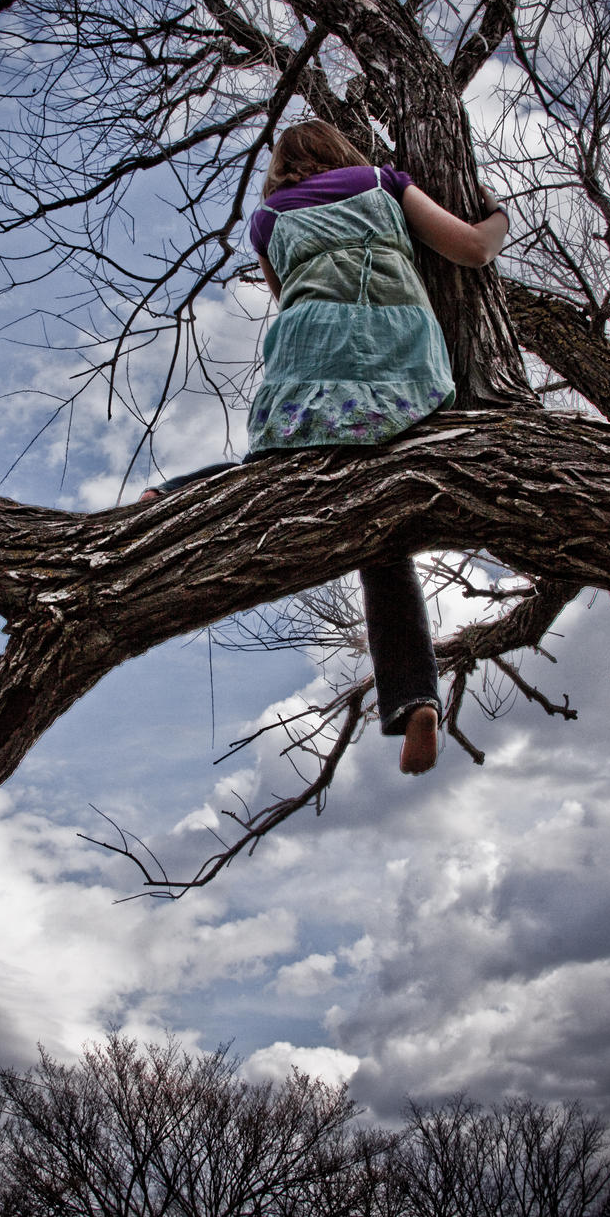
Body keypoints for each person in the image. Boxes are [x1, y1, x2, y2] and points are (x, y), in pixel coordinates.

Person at [141, 120, 509, 775]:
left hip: (311, 374)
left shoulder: (268, 221)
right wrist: (498, 214)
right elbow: (475, 250)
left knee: (265, 481)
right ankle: (415, 697)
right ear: (342, 153)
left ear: (282, 171)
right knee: (383, 536)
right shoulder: (381, 183)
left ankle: (168, 497)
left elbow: (287, 295)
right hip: (403, 376)